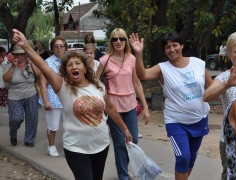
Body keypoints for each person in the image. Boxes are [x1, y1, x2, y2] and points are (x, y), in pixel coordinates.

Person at [12, 29, 132, 180]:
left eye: (78, 63)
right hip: (76, 148)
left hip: (101, 145)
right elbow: (44, 67)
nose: (74, 67)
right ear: (66, 70)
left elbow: (111, 108)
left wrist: (125, 129)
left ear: (84, 67)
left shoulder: (98, 86)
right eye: (70, 65)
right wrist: (26, 46)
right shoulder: (63, 87)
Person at [130, 32, 213, 180]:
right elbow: (142, 75)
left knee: (191, 159)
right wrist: (138, 53)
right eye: (167, 47)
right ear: (165, 50)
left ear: (181, 46)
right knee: (183, 158)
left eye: (175, 45)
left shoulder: (198, 64)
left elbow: (213, 88)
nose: (172, 49)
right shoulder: (163, 68)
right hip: (176, 121)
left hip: (199, 118)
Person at [95, 28, 150, 180]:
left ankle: (123, 169)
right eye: (114, 39)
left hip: (131, 105)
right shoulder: (105, 60)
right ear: (111, 42)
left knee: (133, 140)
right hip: (113, 107)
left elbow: (137, 82)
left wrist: (145, 107)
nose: (118, 41)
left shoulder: (131, 58)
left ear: (126, 41)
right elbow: (95, 81)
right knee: (120, 144)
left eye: (121, 38)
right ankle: (123, 176)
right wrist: (102, 98)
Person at [203, 30, 236, 180]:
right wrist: (227, 84)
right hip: (231, 140)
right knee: (231, 176)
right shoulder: (224, 77)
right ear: (229, 54)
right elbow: (206, 96)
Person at [3, 44, 41, 147]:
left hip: (31, 94)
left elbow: (39, 76)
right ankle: (13, 133)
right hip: (15, 96)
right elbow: (6, 79)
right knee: (16, 118)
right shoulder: (8, 65)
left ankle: (29, 140)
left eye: (22, 54)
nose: (19, 57)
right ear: (14, 55)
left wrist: (32, 64)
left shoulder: (30, 64)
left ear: (25, 55)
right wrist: (13, 66)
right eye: (17, 55)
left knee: (32, 118)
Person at [38, 37, 67, 157]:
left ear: (65, 47)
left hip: (67, 97)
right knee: (53, 125)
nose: (59, 48)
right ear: (52, 48)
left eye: (61, 46)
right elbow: (43, 83)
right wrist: (45, 100)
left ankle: (69, 146)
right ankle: (51, 146)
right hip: (53, 98)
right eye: (56, 46)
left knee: (70, 125)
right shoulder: (48, 62)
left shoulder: (69, 61)